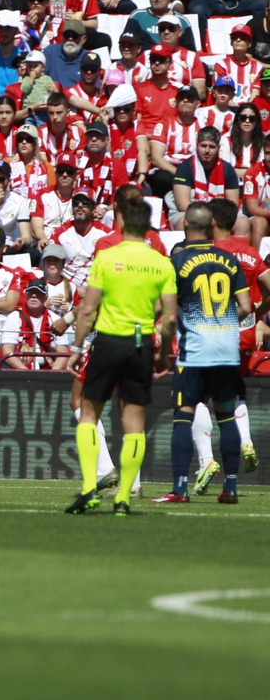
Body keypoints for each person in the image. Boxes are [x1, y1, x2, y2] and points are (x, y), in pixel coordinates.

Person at [67, 198, 178, 516]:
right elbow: (169, 318)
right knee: (134, 424)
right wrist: (165, 355)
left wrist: (76, 349)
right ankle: (124, 497)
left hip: (108, 342)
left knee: (88, 414)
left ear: (120, 222)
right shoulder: (161, 263)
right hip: (141, 345)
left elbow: (87, 309)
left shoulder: (106, 257)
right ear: (148, 225)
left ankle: (89, 488)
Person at [153, 203, 254, 505]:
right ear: (212, 226)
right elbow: (247, 308)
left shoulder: (177, 261)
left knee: (183, 416)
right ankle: (231, 486)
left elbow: (162, 310)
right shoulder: (229, 259)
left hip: (196, 352)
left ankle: (180, 488)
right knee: (226, 416)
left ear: (185, 225)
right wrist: (222, 321)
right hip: (226, 350)